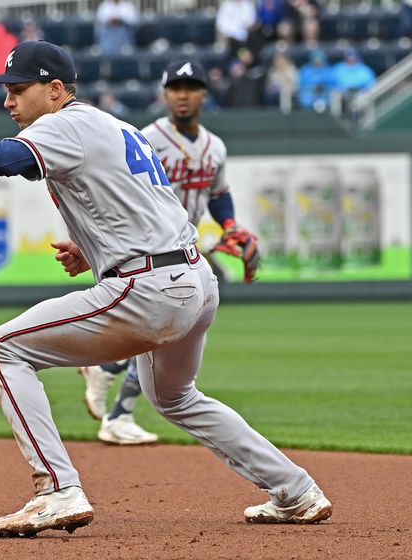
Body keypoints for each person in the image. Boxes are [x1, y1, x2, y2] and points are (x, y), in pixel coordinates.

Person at [0, 40, 332, 537]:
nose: (8, 101)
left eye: (18, 89)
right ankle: (296, 491)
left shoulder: (63, 124)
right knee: (176, 397)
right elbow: (147, 201)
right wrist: (92, 248)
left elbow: (3, 158)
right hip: (194, 279)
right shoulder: (115, 126)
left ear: (55, 90)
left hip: (148, 289)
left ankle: (56, 490)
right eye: (5, 91)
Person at [79, 60, 263, 445]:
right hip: (146, 245)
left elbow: (219, 193)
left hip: (184, 248)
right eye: (176, 88)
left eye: (191, 87)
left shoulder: (216, 147)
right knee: (163, 334)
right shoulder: (143, 139)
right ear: (164, 95)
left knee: (164, 333)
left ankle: (108, 372)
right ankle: (118, 411)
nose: (183, 95)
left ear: (203, 95)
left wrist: (228, 225)